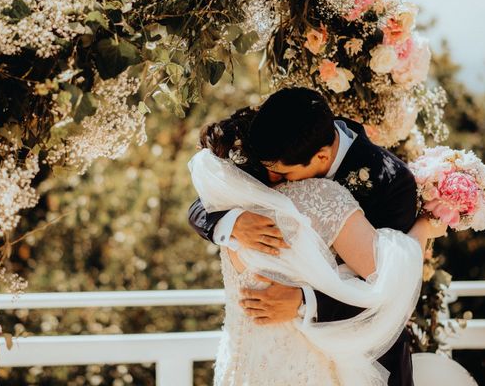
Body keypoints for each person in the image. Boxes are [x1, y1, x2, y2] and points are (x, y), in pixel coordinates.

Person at [188, 87, 441, 385]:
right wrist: (231, 221)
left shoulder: (391, 183)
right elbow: (203, 206)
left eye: (283, 175)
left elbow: (386, 290)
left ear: (321, 155)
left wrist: (305, 301)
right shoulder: (276, 141)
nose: (275, 184)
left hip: (354, 355)